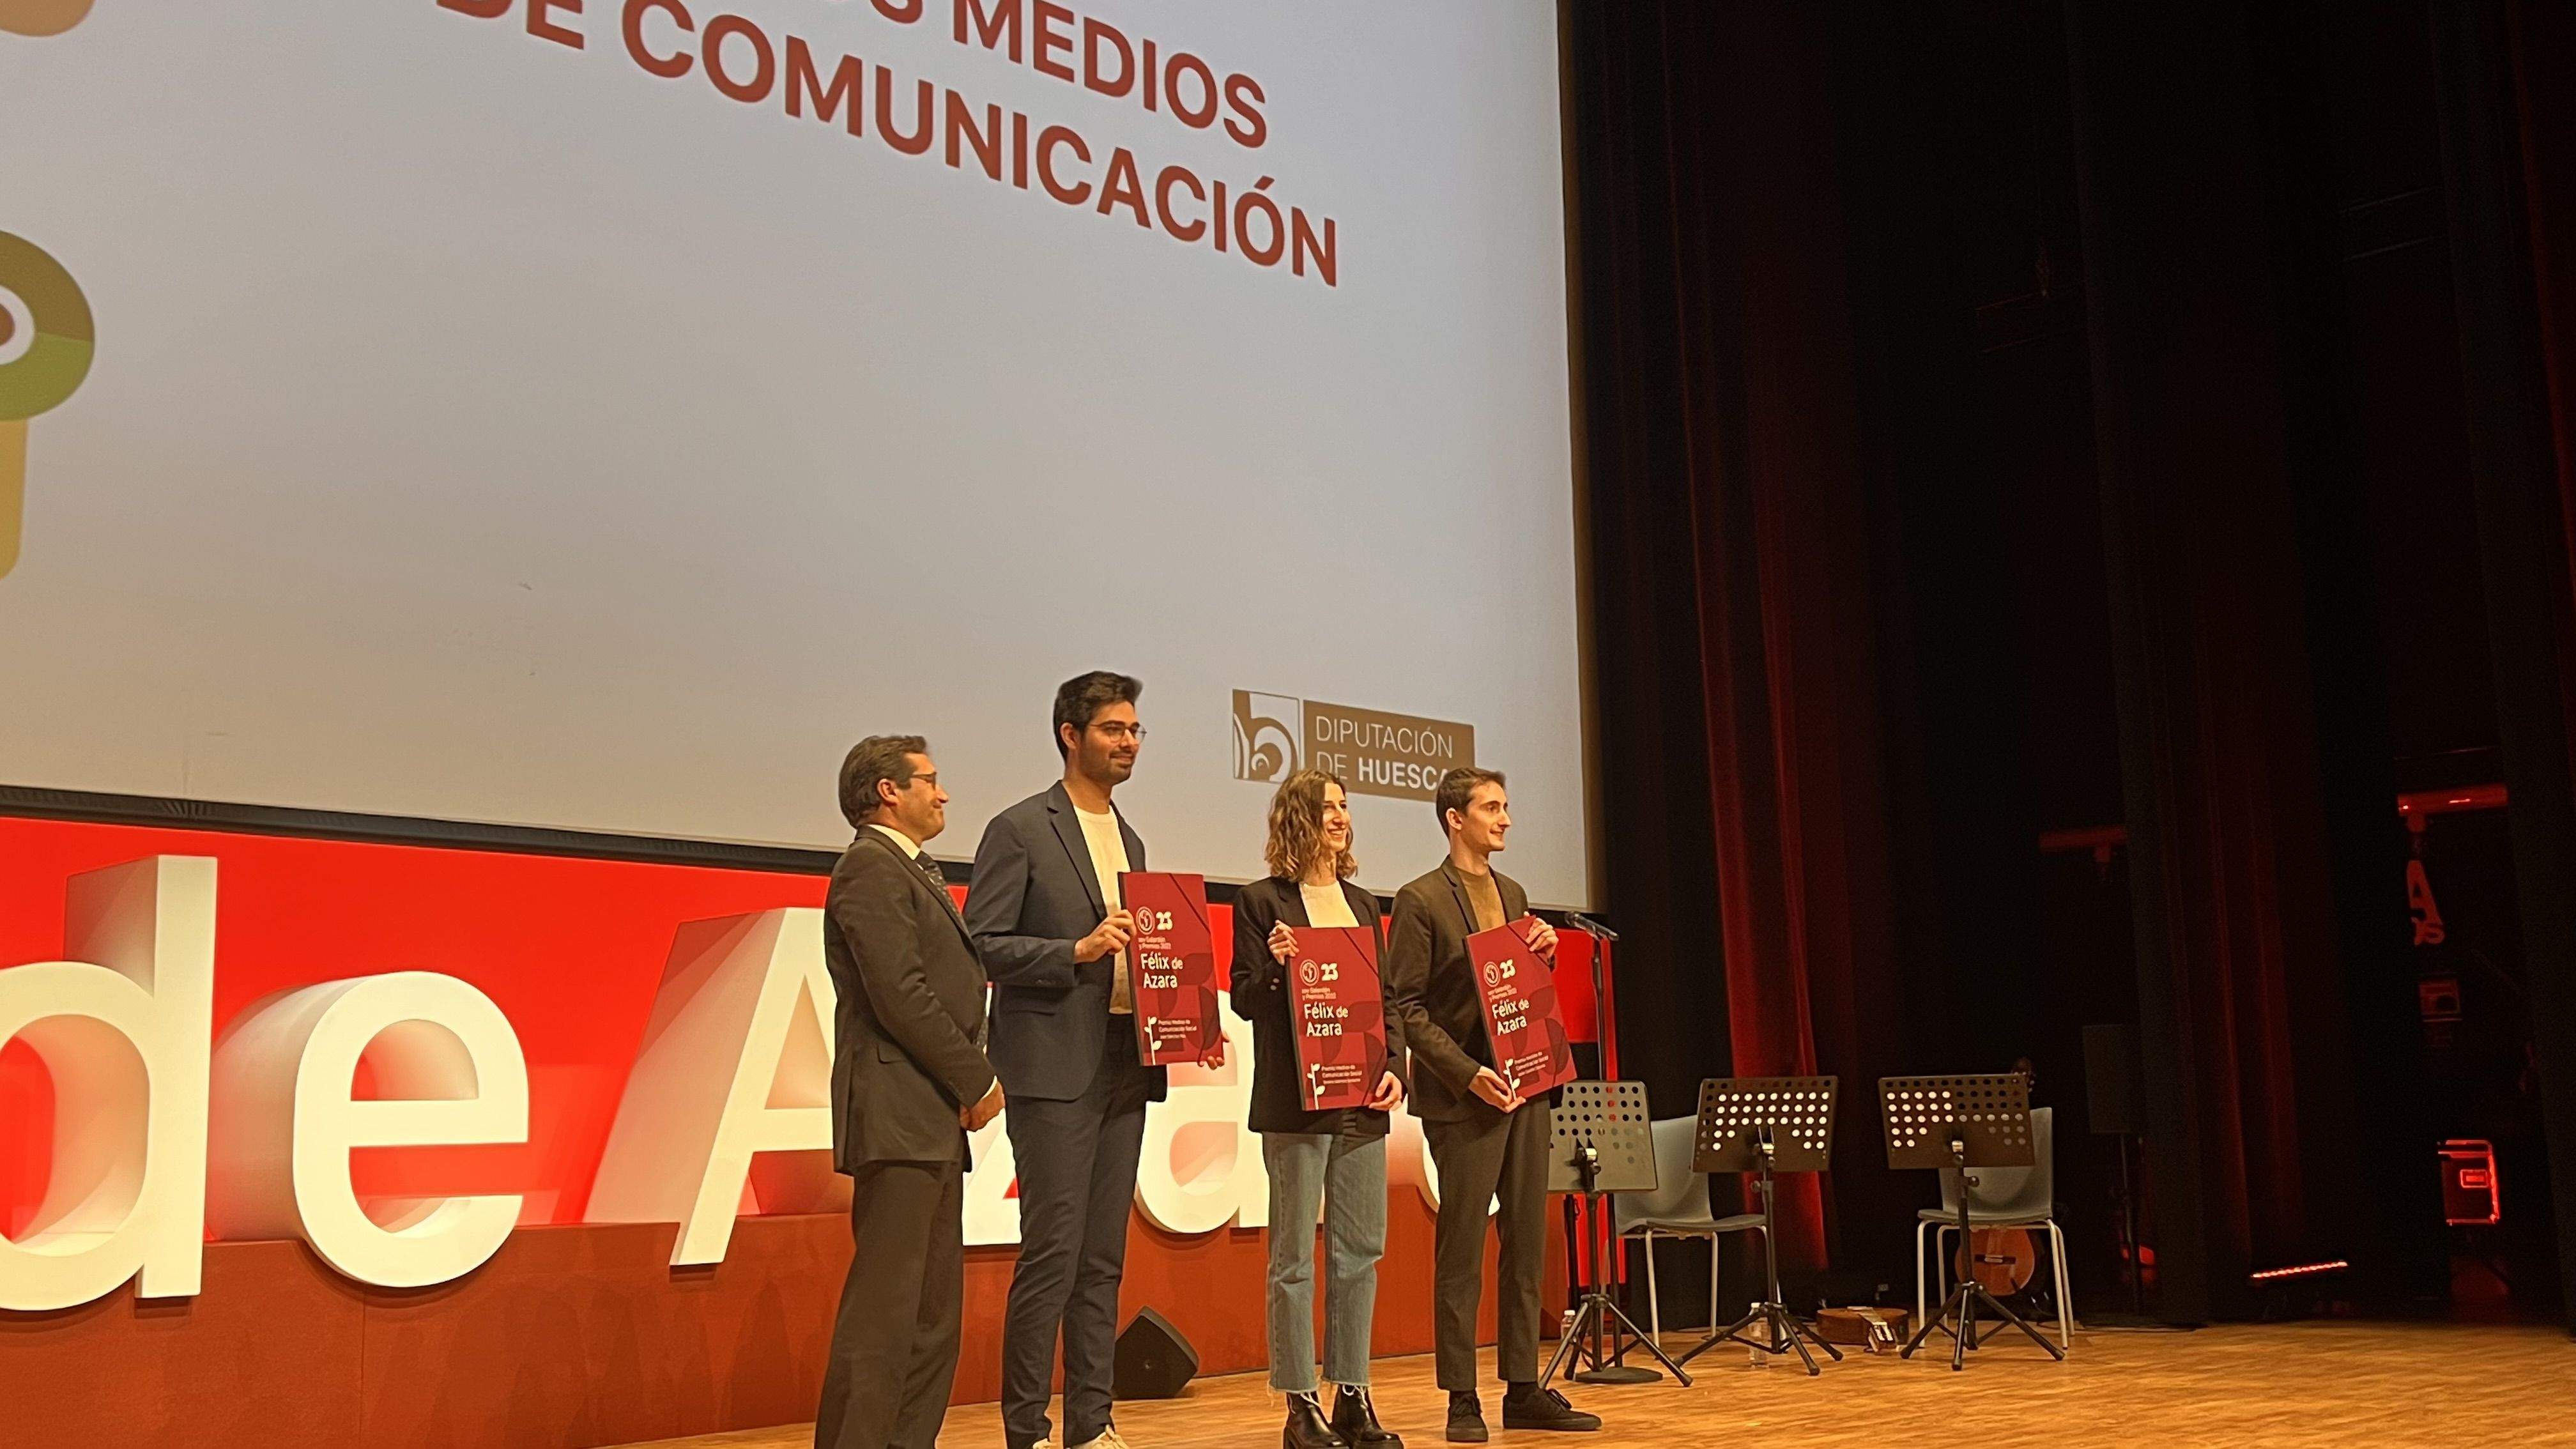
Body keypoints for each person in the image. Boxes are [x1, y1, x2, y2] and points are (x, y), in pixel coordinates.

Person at [969, 671, 1217, 1449]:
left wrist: (1191, 1020)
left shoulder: (1130, 838)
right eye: (1114, 729)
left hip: (1124, 1059)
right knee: (1053, 1253)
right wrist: (1073, 951)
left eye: (1136, 730)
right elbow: (984, 944)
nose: (1129, 742)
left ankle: (1092, 1424)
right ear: (1070, 735)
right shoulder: (1020, 828)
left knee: (1104, 1259)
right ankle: (1026, 1431)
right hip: (1051, 1067)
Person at [1385, 767, 1600, 1442]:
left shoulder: (1514, 893)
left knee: (1527, 1244)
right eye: (1491, 808)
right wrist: (1468, 1073)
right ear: (1455, 819)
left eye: (1506, 807)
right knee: (1462, 1251)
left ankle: (1523, 1388)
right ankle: (1461, 1396)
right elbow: (1406, 1007)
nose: (1505, 819)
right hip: (1466, 1097)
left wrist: (1546, 955)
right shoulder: (1420, 899)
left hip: (1527, 1089)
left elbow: (1516, 990)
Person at [815, 735, 1004, 1449]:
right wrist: (976, 1077)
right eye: (929, 780)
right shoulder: (870, 866)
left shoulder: (910, 868)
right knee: (887, 1315)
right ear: (888, 792)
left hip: (927, 1118)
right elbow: (900, 994)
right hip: (899, 1114)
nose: (943, 792)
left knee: (931, 1318)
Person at [1230, 769, 1410, 1449]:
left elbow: (1386, 999)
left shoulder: (1362, 903)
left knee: (1360, 1253)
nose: (1341, 817)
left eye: (1344, 805)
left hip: (1363, 1099)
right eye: (1328, 807)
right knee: (1293, 1260)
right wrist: (1277, 967)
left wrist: (1396, 1067)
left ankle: (1354, 1394)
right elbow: (1246, 998)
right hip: (1296, 1104)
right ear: (1299, 819)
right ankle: (1300, 1404)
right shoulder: (1261, 902)